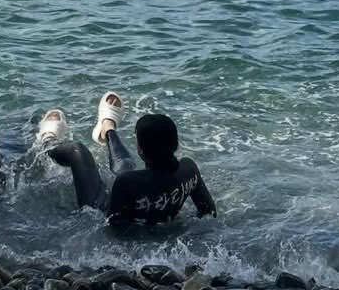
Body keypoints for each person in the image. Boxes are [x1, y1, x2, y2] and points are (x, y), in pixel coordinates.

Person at [40, 93, 216, 228]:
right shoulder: (189, 169)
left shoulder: (128, 182)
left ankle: (46, 142)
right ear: (176, 145)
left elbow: (113, 226)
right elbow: (209, 213)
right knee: (127, 171)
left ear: (140, 150)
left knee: (76, 150)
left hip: (101, 211)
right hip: (135, 194)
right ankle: (107, 129)